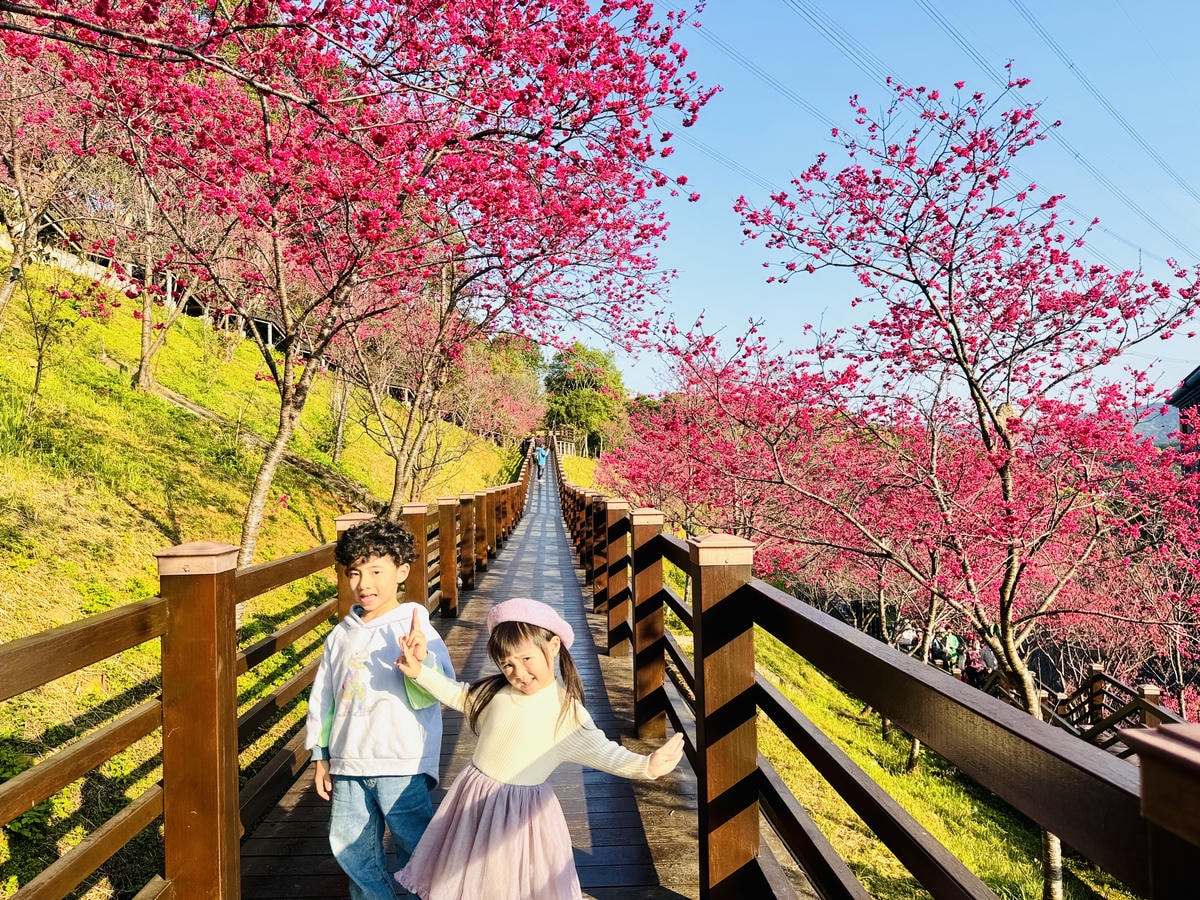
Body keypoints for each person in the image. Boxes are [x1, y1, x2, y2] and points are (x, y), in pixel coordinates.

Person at [393, 597, 686, 900]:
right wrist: (420, 672)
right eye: (507, 664)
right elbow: (459, 695)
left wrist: (647, 765)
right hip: (474, 799)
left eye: (526, 659)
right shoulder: (495, 692)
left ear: (554, 645)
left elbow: (605, 752)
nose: (518, 672)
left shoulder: (566, 714)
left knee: (504, 882)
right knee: (465, 877)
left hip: (518, 815)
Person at [305, 517, 455, 900]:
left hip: (401, 761)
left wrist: (419, 666)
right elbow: (324, 698)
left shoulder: (415, 625)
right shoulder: (340, 634)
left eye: (375, 570)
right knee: (350, 847)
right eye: (354, 572)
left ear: (402, 571)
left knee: (415, 847)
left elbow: (440, 692)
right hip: (349, 761)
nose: (363, 583)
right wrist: (321, 755)